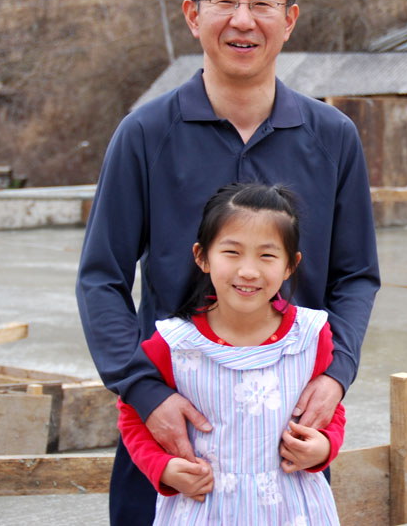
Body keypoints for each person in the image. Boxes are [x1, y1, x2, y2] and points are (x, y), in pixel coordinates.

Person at [76, 0, 379, 524]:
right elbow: (100, 281)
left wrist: (336, 375)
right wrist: (146, 394)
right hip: (173, 438)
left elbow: (356, 276)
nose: (243, 20)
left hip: (285, 442)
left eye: (262, 3)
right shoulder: (144, 135)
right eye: (224, 1)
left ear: (289, 20)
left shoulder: (333, 138)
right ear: (194, 14)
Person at [118, 182, 344, 525]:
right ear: (202, 257)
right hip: (204, 509)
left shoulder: (311, 337)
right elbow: (133, 413)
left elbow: (329, 409)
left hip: (295, 509)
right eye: (232, 252)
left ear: (290, 265)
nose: (248, 271)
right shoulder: (174, 343)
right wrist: (162, 467)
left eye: (267, 255)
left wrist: (324, 447)